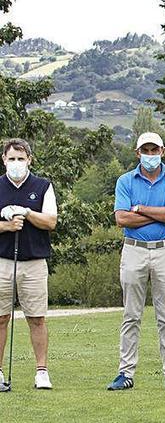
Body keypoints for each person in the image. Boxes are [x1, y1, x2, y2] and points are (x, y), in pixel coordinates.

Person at [107, 132, 165, 392]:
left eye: (155, 150)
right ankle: (125, 372)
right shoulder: (125, 181)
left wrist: (140, 209)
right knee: (131, 315)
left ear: (163, 152)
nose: (150, 155)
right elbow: (121, 219)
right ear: (137, 153)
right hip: (134, 250)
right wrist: (161, 215)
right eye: (146, 150)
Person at [0, 138, 57, 390]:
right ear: (4, 160)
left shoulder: (43, 186)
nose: (16, 163)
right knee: (1, 318)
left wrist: (27, 213)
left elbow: (51, 222)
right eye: (11, 158)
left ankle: (41, 372)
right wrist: (6, 226)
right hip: (1, 261)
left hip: (34, 262)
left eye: (20, 159)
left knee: (37, 318)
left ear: (29, 160)